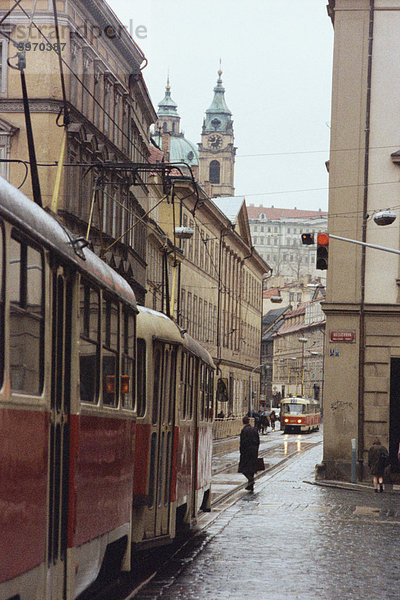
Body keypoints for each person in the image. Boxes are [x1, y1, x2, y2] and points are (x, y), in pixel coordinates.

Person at [238, 416, 260, 492]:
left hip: (246, 452)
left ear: (243, 422)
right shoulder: (254, 429)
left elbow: (242, 442)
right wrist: (256, 449)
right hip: (254, 451)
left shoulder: (244, 430)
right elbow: (258, 441)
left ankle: (251, 480)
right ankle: (251, 486)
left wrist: (241, 451)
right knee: (252, 468)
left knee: (243, 468)